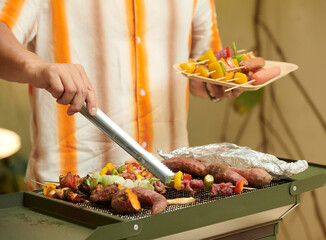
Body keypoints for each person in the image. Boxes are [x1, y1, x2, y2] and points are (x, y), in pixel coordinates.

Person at [0, 0, 242, 189]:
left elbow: (200, 74)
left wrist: (221, 82)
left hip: (169, 188)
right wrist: (39, 68)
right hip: (70, 191)